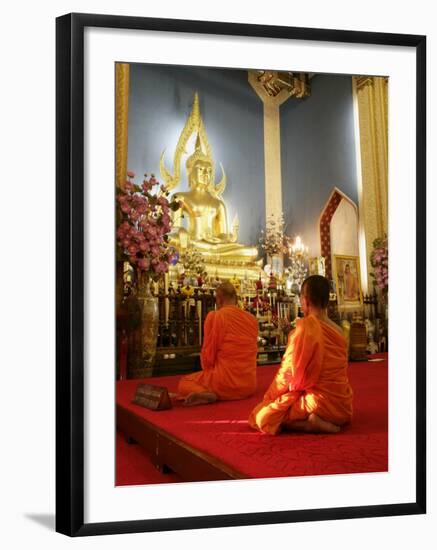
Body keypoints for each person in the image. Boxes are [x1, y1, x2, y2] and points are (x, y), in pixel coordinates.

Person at [249, 275, 353, 434]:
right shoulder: (339, 331)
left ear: (305, 300)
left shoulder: (305, 329)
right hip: (342, 406)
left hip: (318, 404)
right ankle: (319, 421)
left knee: (263, 416)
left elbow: (287, 374)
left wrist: (269, 398)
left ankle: (310, 424)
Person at [177, 282, 259, 406]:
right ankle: (210, 391)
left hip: (224, 384)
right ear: (236, 299)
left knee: (184, 382)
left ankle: (206, 392)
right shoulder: (252, 320)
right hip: (248, 386)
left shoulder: (216, 317)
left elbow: (208, 356)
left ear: (219, 300)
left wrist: (208, 373)